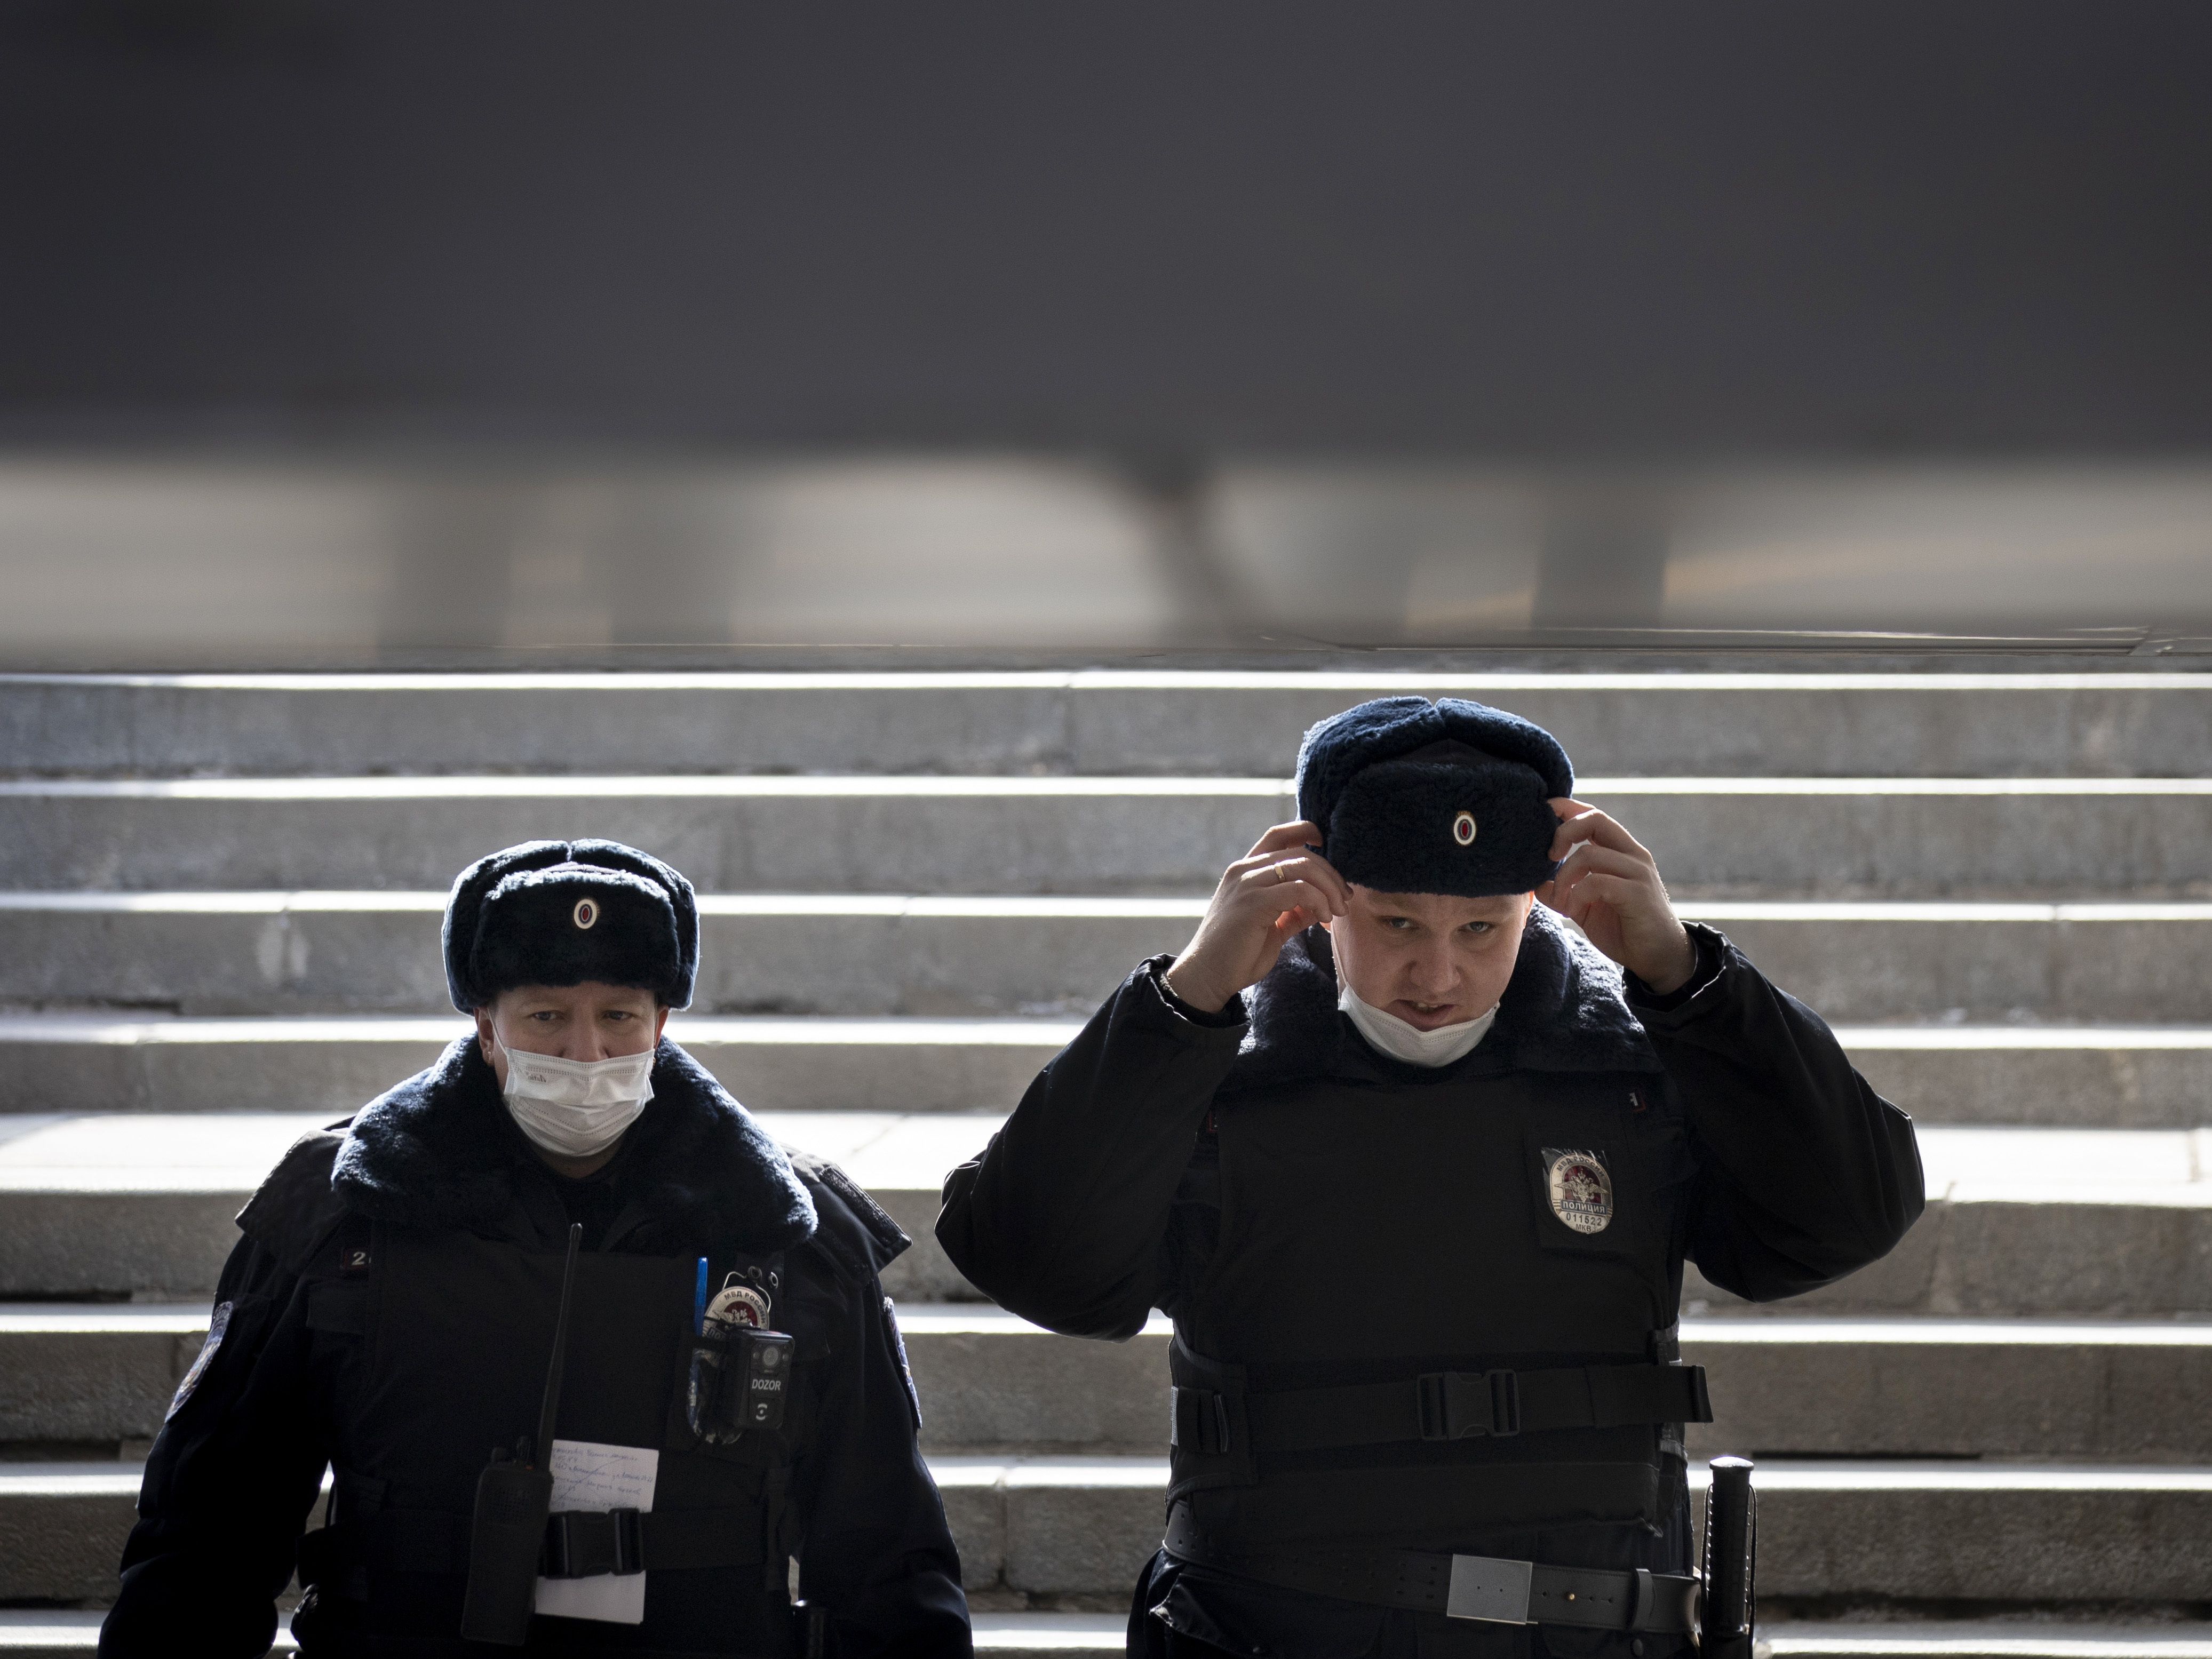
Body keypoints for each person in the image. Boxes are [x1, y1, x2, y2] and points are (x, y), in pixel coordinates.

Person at [936, 697, 1924, 1659]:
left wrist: (1688, 979)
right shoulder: (1207, 1073)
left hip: (1584, 1625)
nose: (1438, 975)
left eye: (1482, 929)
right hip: (1275, 1625)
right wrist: (1186, 996)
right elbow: (1040, 1266)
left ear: (1533, 905)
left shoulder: (1632, 1067)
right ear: (1315, 899)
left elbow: (1841, 1218)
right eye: (1398, 924)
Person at [103, 839, 972, 1659]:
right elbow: (206, 1537)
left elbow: (887, 1554)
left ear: (663, 1022)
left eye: (619, 1015)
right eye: (547, 1014)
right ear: (486, 1021)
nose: (584, 1052)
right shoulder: (340, 1216)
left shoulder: (791, 1229)